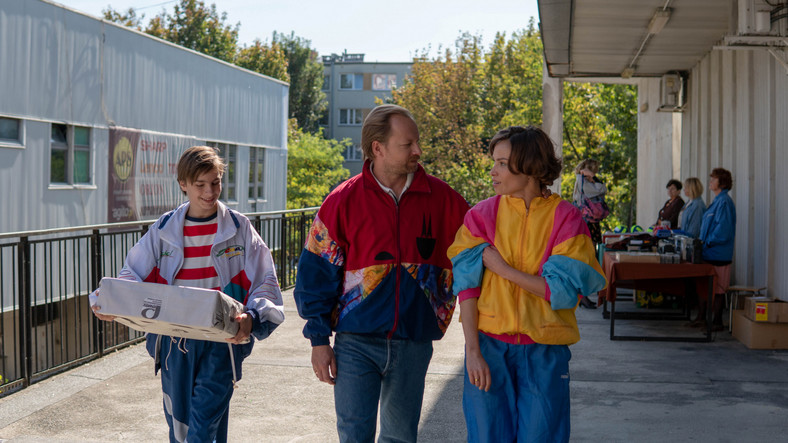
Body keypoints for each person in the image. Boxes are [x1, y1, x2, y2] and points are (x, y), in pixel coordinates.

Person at [293, 104, 469, 442]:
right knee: (353, 436)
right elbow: (315, 275)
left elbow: (478, 252)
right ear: (378, 147)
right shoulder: (341, 201)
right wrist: (318, 340)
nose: (418, 151)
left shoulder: (445, 200)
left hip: (414, 343)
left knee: (401, 438)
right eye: (408, 144)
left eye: (416, 142)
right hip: (355, 343)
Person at [91, 146, 285, 443]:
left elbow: (265, 279)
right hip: (173, 344)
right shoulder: (164, 229)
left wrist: (253, 318)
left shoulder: (239, 227)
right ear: (183, 184)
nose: (210, 192)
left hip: (223, 341)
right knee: (181, 428)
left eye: (216, 182)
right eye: (200, 185)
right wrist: (109, 301)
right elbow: (132, 274)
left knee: (202, 425)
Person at [447, 126, 606, 443]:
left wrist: (502, 269)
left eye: (503, 163)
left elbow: (559, 292)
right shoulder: (481, 215)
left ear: (531, 167)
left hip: (545, 351)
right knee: (487, 437)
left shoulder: (566, 218)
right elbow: (467, 288)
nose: (493, 172)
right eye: (494, 162)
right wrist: (473, 352)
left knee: (541, 437)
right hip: (488, 349)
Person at [695, 168, 736, 331]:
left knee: (718, 289)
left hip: (718, 254)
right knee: (706, 285)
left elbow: (723, 231)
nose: (710, 182)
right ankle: (702, 318)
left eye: (714, 179)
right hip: (710, 252)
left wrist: (707, 242)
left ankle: (717, 322)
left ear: (722, 183)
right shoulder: (717, 201)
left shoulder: (724, 202)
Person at [572, 158, 607, 309]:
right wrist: (592, 178)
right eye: (594, 169)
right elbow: (602, 189)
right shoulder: (583, 181)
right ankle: (583, 296)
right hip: (587, 224)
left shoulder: (584, 181)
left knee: (587, 259)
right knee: (587, 259)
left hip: (588, 222)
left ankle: (583, 295)